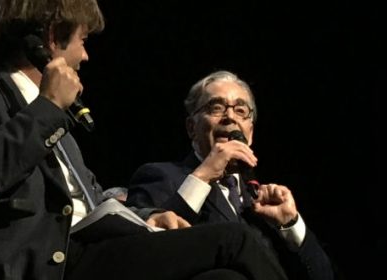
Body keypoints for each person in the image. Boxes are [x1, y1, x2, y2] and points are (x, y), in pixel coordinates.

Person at [0, 1, 290, 279]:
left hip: (97, 249)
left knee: (222, 277)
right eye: (82, 40)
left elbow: (94, 199)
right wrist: (49, 106)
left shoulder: (52, 115)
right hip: (54, 260)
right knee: (235, 240)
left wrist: (152, 217)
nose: (85, 55)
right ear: (53, 36)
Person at [126, 70, 336, 280]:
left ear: (250, 133)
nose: (230, 117)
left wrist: (291, 225)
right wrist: (203, 177)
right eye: (216, 108)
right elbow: (147, 255)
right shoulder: (159, 176)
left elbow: (323, 276)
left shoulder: (261, 202)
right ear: (191, 128)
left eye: (240, 110)